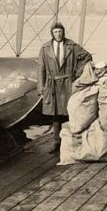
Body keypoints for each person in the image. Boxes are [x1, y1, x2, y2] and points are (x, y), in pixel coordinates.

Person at [37, 22, 92, 153]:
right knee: (55, 115)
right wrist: (41, 88)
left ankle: (74, 141)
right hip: (53, 85)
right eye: (55, 32)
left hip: (68, 83)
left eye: (60, 31)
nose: (58, 34)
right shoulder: (45, 48)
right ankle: (57, 142)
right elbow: (41, 69)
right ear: (52, 33)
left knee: (71, 111)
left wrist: (77, 72)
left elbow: (87, 56)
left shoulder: (71, 46)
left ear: (63, 32)